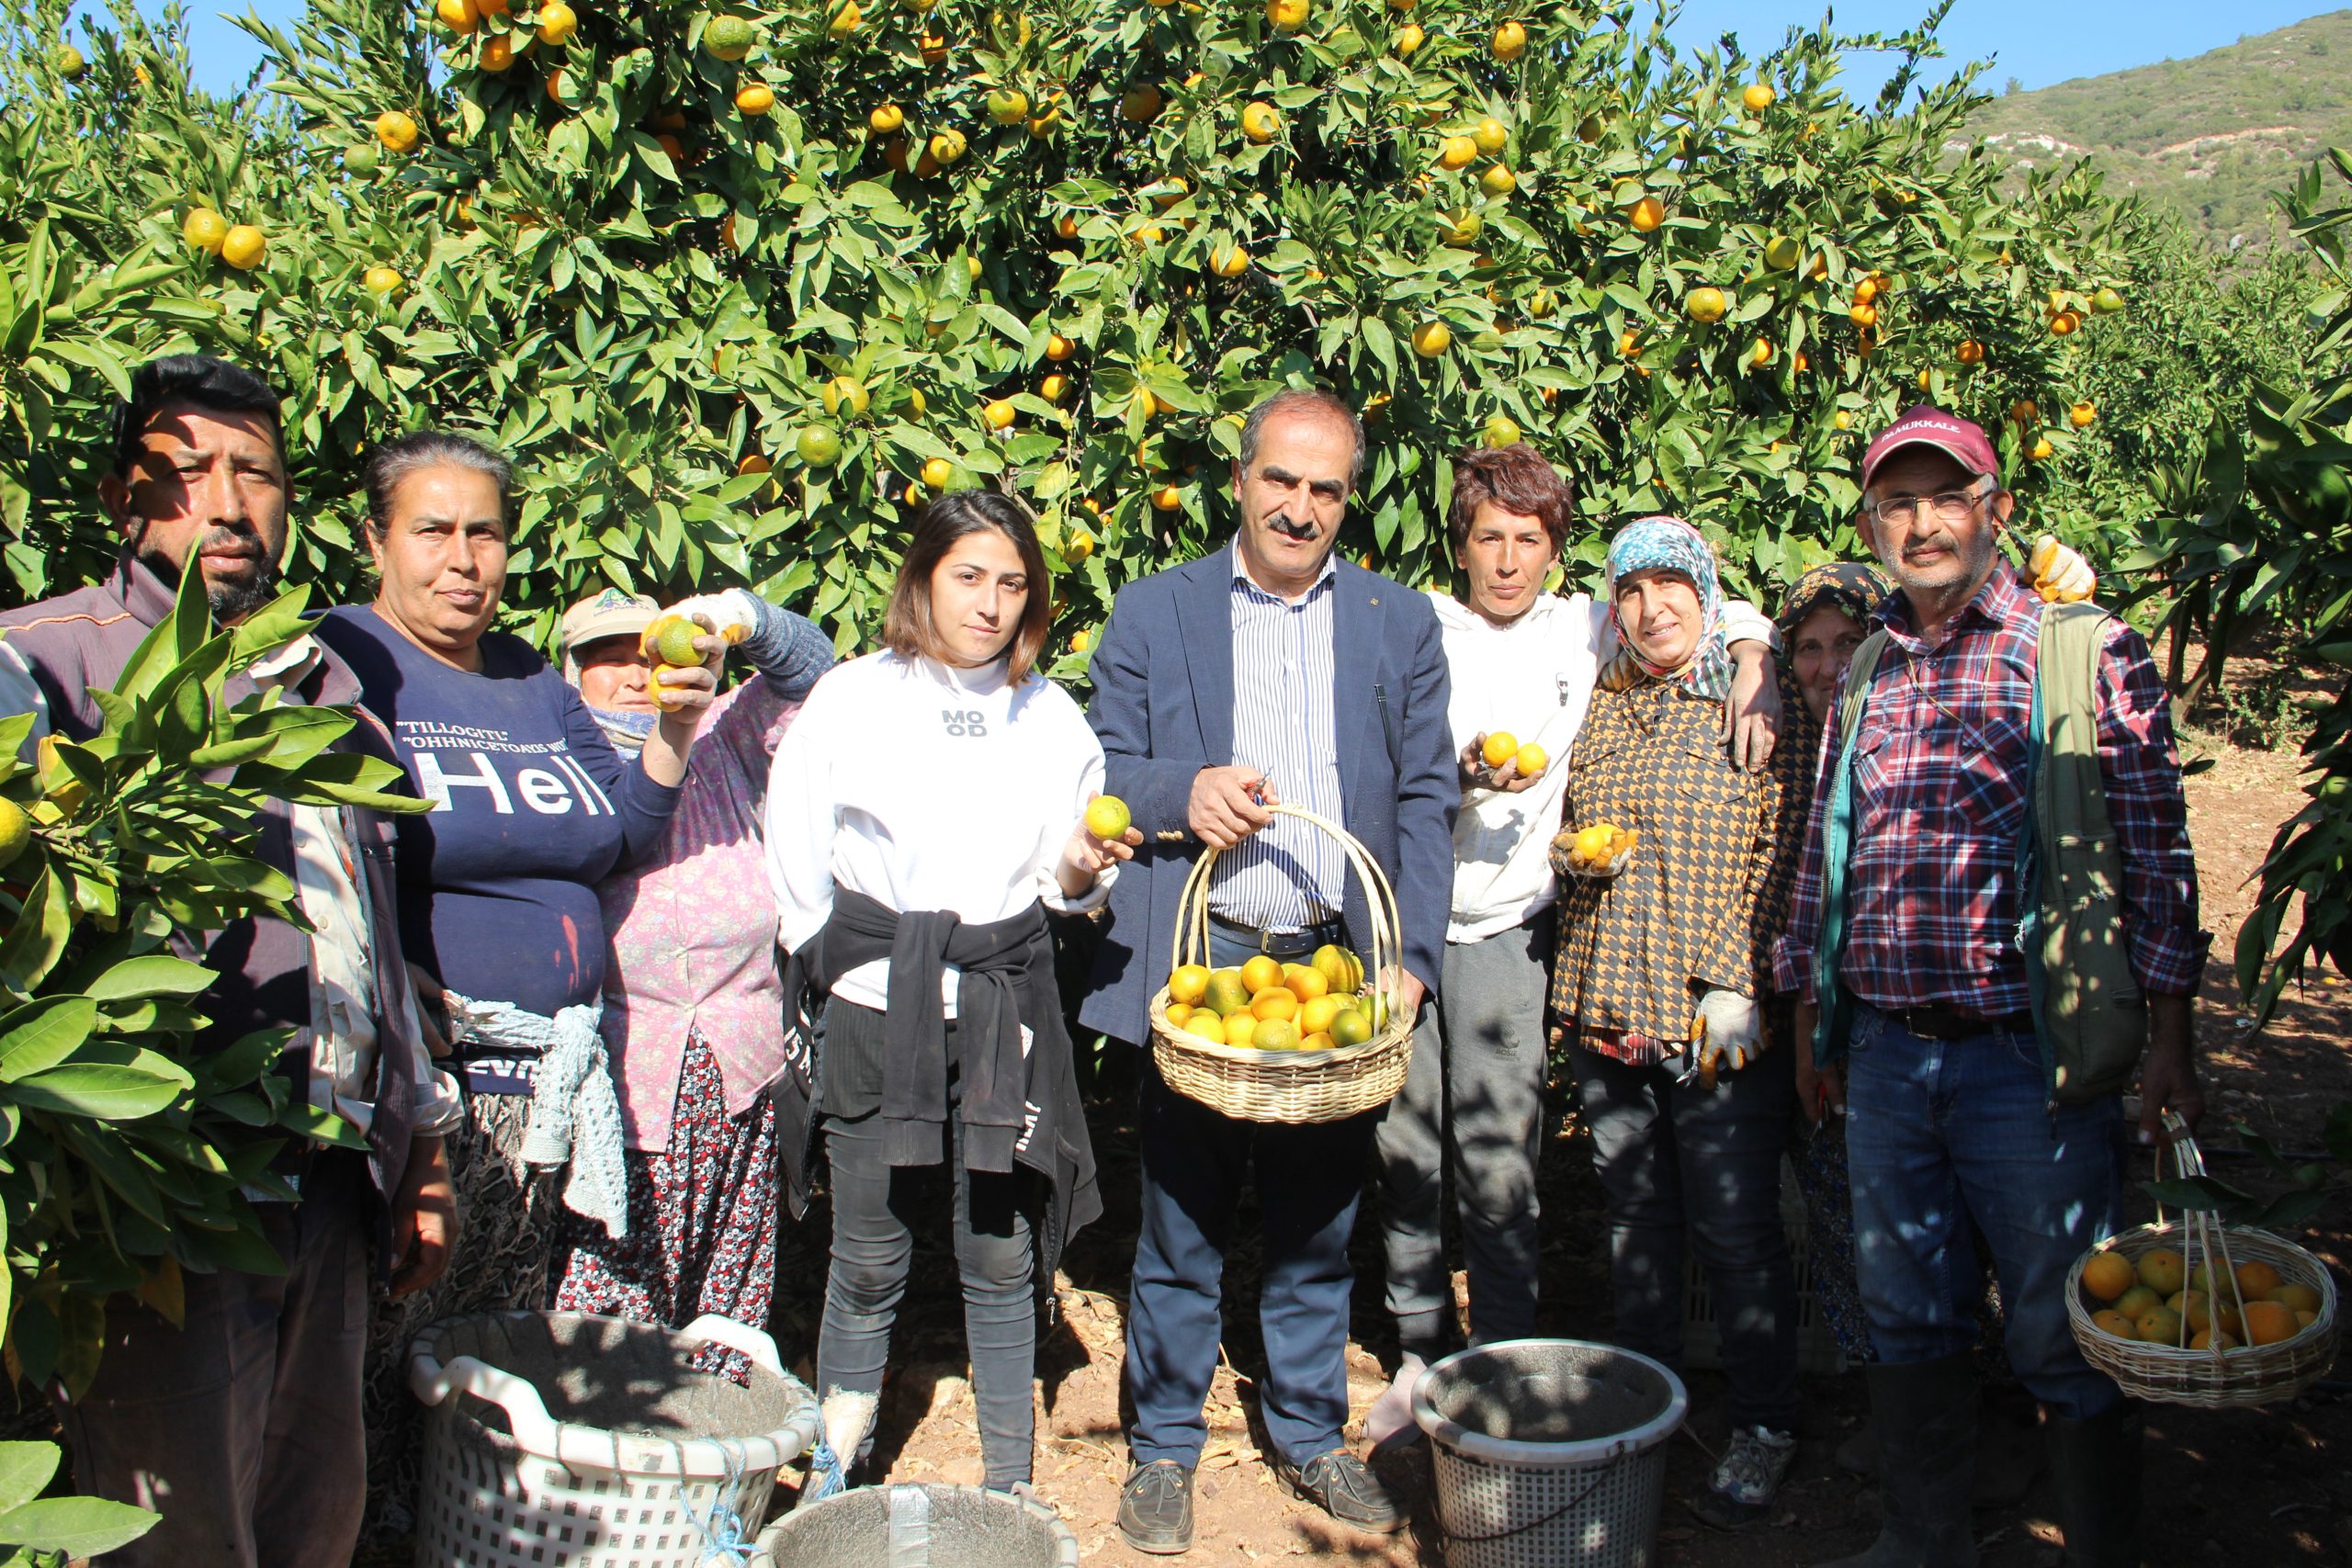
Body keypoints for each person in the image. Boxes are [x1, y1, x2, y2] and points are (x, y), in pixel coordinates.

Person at [0, 355, 459, 1568]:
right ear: (120, 497)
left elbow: (382, 946)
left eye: (254, 472)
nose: (226, 500)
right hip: (166, 1194)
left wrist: (419, 1150)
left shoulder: (338, 697)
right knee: (180, 1529)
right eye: (186, 471)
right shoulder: (46, 667)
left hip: (329, 1180)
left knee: (315, 1514)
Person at [1775, 407, 2207, 1568]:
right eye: (1896, 505)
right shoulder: (1866, 663)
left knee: (2062, 1320)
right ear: (1872, 526)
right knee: (1905, 1309)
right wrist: (1814, 1014)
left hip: (2026, 1055)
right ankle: (1922, 1539)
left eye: (1944, 498)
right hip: (1887, 1054)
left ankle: (2096, 1544)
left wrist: (2170, 1033)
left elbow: (2152, 848)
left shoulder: (2073, 646)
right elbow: (1829, 850)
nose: (1921, 524)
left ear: (1995, 511)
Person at [312, 432, 716, 1536]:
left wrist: (675, 726)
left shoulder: (533, 684)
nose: (462, 559)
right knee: (384, 1356)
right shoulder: (341, 665)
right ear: (375, 542)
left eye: (482, 532)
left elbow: (622, 833)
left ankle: (457, 1534)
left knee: (487, 1349)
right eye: (432, 531)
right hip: (436, 1086)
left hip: (552, 1086)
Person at [1081, 389, 1457, 1553]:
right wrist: (1173, 793)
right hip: (1204, 964)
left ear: (1349, 499)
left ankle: (1305, 1433)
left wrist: (1413, 960)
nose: (1300, 508)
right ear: (1239, 480)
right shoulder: (1156, 612)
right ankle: (1161, 1450)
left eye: (1325, 488)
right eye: (1280, 481)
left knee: (1316, 1222)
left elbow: (1426, 796)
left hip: (1333, 968)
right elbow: (1105, 760)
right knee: (1181, 1217)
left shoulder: (1398, 624)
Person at [1364, 445, 1785, 1447]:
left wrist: (1758, 659)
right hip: (1407, 921)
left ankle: (1501, 1350)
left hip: (1515, 934)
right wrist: (1455, 776)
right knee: (1404, 1151)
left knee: (1500, 1163)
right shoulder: (1416, 623)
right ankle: (1423, 1349)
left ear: (1555, 553)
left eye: (1528, 540)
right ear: (1458, 545)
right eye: (1487, 539)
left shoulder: (1583, 627)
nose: (1506, 560)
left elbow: (1709, 607)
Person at [764, 491, 1127, 1498]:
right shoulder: (852, 696)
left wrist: (1088, 863)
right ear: (923, 579)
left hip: (1001, 1010)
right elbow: (792, 834)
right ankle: (838, 1475)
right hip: (880, 1003)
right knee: (869, 1254)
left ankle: (1006, 1486)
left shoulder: (1050, 717)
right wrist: (826, 959)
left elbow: (1070, 878)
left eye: (1012, 584)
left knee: (998, 1255)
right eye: (969, 576)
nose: (990, 602)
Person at [1545, 514, 1819, 1529]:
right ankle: (1650, 1401)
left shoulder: (1752, 696)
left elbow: (1783, 842)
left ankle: (1763, 1422)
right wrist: (1576, 853)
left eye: (1672, 587)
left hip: (1710, 1019)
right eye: (1632, 590)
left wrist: (1735, 978)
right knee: (1637, 1224)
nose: (1653, 608)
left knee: (1737, 1231)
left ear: (1706, 594)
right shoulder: (1606, 703)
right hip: (1608, 1002)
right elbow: (1569, 820)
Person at [548, 584, 834, 1359]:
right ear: (568, 674)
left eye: (642, 651)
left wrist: (746, 618)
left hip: (741, 1063)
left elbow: (814, 678)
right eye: (603, 660)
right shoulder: (558, 761)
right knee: (614, 1298)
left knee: (728, 1294)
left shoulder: (720, 735)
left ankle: (711, 1454)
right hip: (626, 1075)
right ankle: (609, 1461)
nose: (633, 674)